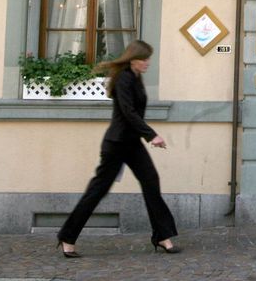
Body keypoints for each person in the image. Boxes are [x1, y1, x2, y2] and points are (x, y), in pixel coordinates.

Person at [57, 40, 180, 257]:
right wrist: (152, 135)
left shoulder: (135, 77)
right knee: (97, 191)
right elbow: (128, 112)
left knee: (151, 181)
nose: (147, 62)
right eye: (144, 58)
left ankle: (162, 236)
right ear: (133, 59)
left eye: (148, 58)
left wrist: (145, 136)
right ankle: (67, 237)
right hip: (116, 144)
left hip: (132, 144)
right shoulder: (124, 78)